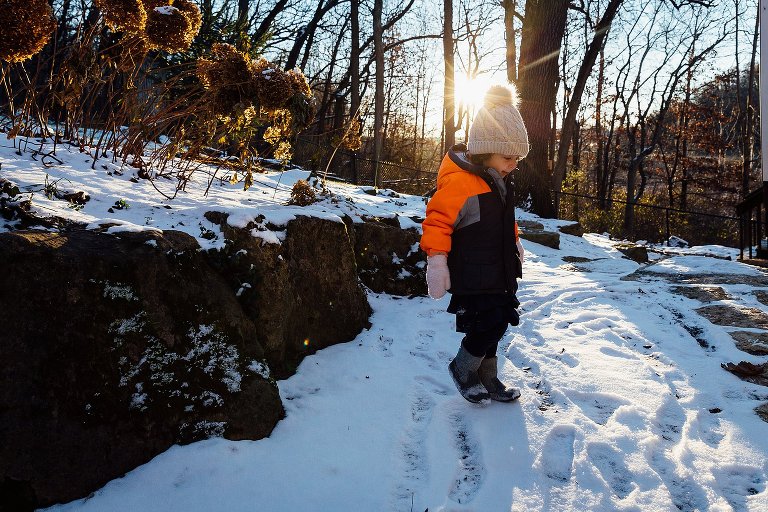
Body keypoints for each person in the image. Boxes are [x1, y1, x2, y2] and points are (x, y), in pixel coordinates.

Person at [420, 84, 528, 404]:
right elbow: (437, 221)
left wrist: (516, 243)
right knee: (490, 322)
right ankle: (463, 368)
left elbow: (505, 220)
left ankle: (488, 376)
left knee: (499, 322)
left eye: (518, 158)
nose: (514, 164)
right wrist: (437, 261)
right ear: (486, 149)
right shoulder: (460, 182)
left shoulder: (499, 180)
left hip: (499, 269)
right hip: (473, 271)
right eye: (509, 156)